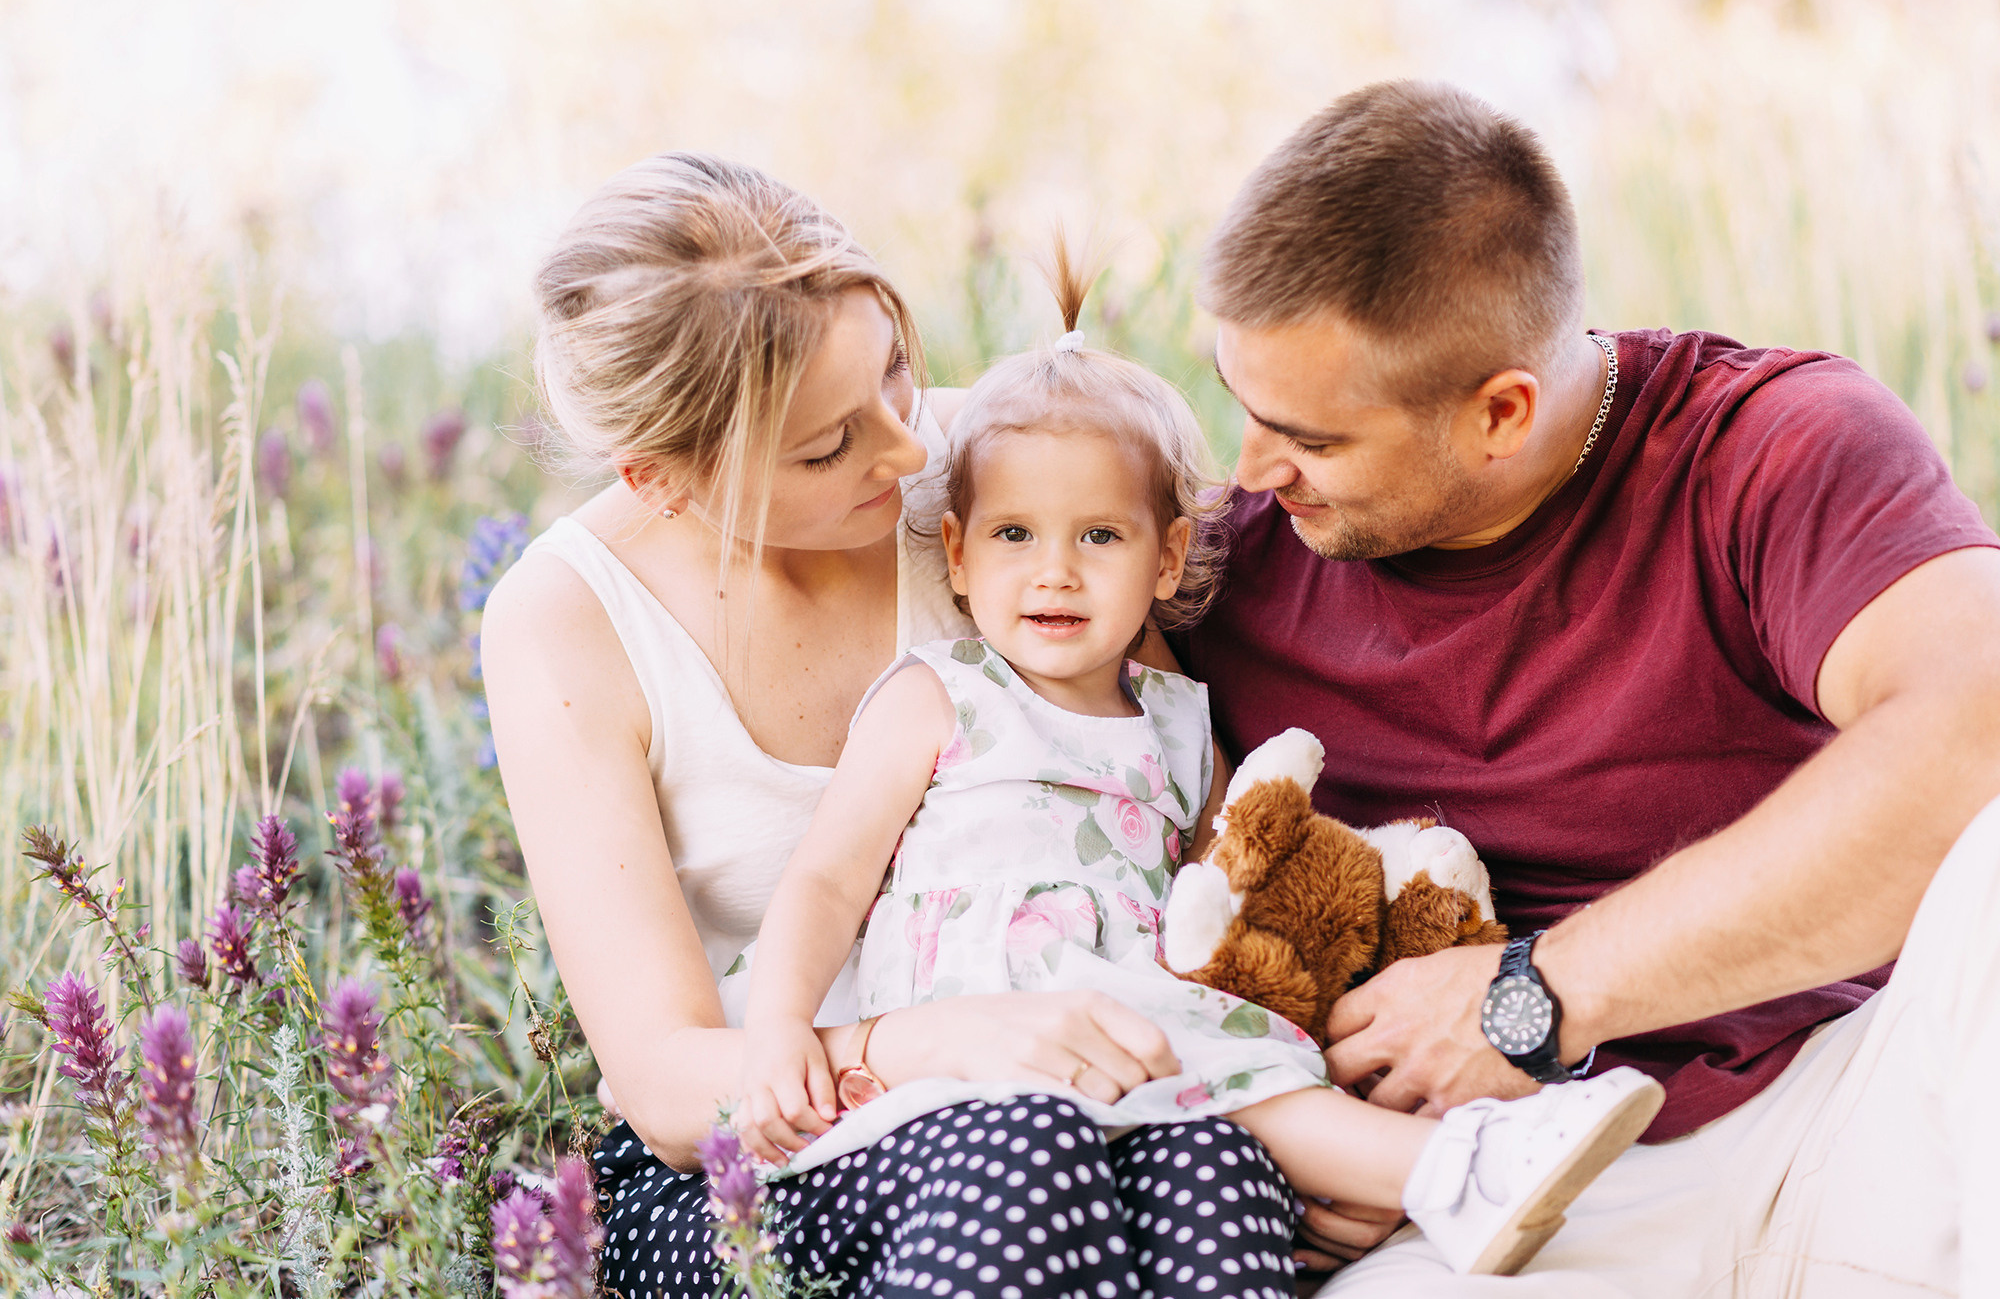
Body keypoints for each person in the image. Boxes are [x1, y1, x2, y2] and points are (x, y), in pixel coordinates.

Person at [1170, 79, 2000, 1296]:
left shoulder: (1764, 447)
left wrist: (1536, 995)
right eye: (1239, 406)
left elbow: (1970, 734)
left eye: (1313, 436)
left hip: (1851, 1111)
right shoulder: (1223, 565)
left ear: (1500, 411)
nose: (1251, 469)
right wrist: (1282, 1129)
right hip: (1501, 1211)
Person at [481, 152, 1309, 1299]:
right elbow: (669, 1085)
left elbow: (1157, 783)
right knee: (1022, 1147)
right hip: (764, 1150)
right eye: (826, 447)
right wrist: (943, 1041)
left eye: (897, 371)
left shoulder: (998, 482)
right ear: (664, 480)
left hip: (1069, 1053)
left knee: (1212, 1172)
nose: (910, 451)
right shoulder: (568, 620)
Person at [737, 261, 1666, 1281]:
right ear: (955, 557)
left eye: (1099, 535)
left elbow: (1239, 880)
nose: (1053, 570)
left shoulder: (1178, 723)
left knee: (1222, 1135)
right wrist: (780, 1027)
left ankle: (1428, 1168)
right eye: (1012, 535)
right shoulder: (941, 695)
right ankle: (1451, 1168)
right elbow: (826, 879)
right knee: (1234, 1070)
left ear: (1168, 559)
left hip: (1139, 1040)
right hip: (987, 1032)